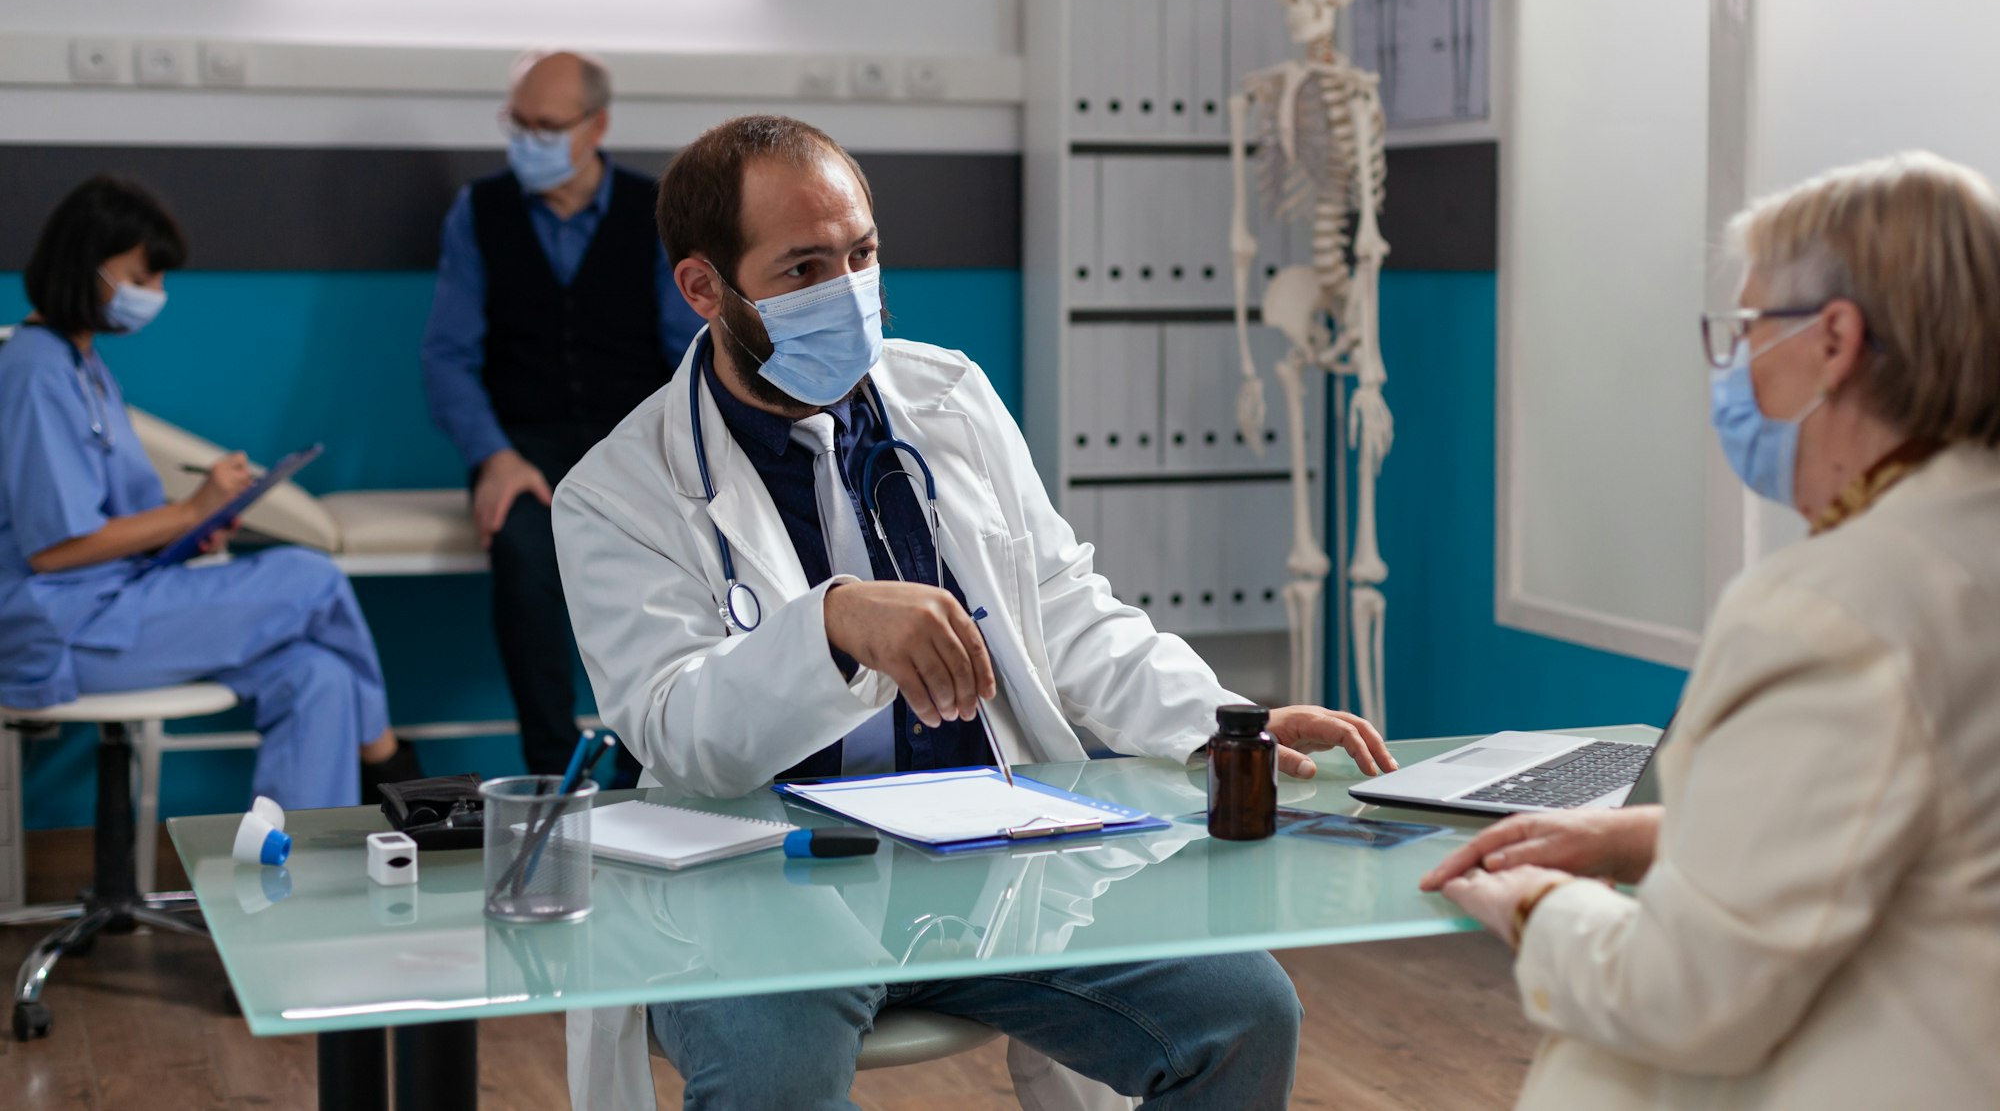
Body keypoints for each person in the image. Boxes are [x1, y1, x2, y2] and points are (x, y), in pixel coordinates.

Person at [552, 114, 1401, 1109]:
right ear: (703, 288)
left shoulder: (947, 397)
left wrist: (1217, 721)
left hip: (987, 855)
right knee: (775, 1073)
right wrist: (830, 625)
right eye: (803, 269)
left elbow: (1067, 609)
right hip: (765, 881)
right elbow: (677, 732)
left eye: (861, 254)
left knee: (1244, 1011)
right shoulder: (616, 491)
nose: (847, 293)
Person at [1424, 152, 2000, 1109]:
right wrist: (1650, 836)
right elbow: (1935, 834)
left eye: (1746, 330)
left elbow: (1684, 994)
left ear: (1834, 340)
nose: (1730, 371)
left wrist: (1537, 907)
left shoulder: (1832, 611)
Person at [0, 177, 419, 809]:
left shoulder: (84, 366)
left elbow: (115, 523)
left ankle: (292, 887)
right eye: (141, 278)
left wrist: (195, 530)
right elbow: (55, 550)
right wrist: (189, 510)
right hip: (66, 630)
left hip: (117, 605)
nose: (155, 296)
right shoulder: (35, 371)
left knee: (319, 677)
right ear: (82, 264)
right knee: (311, 575)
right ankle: (392, 765)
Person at [420, 51, 701, 782]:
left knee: (663, 568)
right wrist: (492, 455)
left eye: (546, 125)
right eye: (518, 123)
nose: (528, 139)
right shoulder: (479, 213)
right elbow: (447, 357)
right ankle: (551, 774)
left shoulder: (657, 209)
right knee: (523, 558)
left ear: (596, 125)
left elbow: (689, 352)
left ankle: (646, 765)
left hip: (636, 439)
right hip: (526, 448)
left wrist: (689, 452)